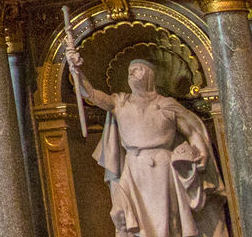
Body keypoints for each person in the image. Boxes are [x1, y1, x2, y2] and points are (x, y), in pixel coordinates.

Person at [66, 51, 230, 237]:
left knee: (167, 223)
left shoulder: (167, 105)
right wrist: (76, 71)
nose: (132, 74)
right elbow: (92, 94)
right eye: (130, 70)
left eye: (137, 70)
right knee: (120, 214)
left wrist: (200, 153)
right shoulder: (120, 102)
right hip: (133, 169)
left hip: (163, 169)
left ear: (149, 74)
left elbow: (193, 131)